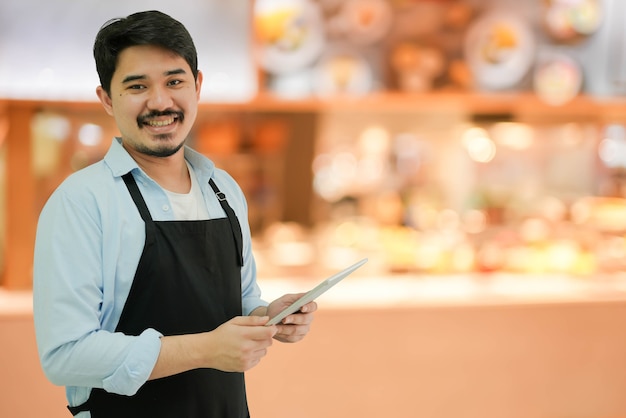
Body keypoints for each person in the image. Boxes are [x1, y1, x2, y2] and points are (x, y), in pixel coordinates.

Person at [33, 10, 316, 418]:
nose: (161, 101)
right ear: (107, 100)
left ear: (197, 86)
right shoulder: (81, 202)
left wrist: (268, 316)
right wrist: (206, 349)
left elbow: (240, 299)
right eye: (137, 86)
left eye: (174, 81)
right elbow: (65, 354)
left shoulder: (224, 190)